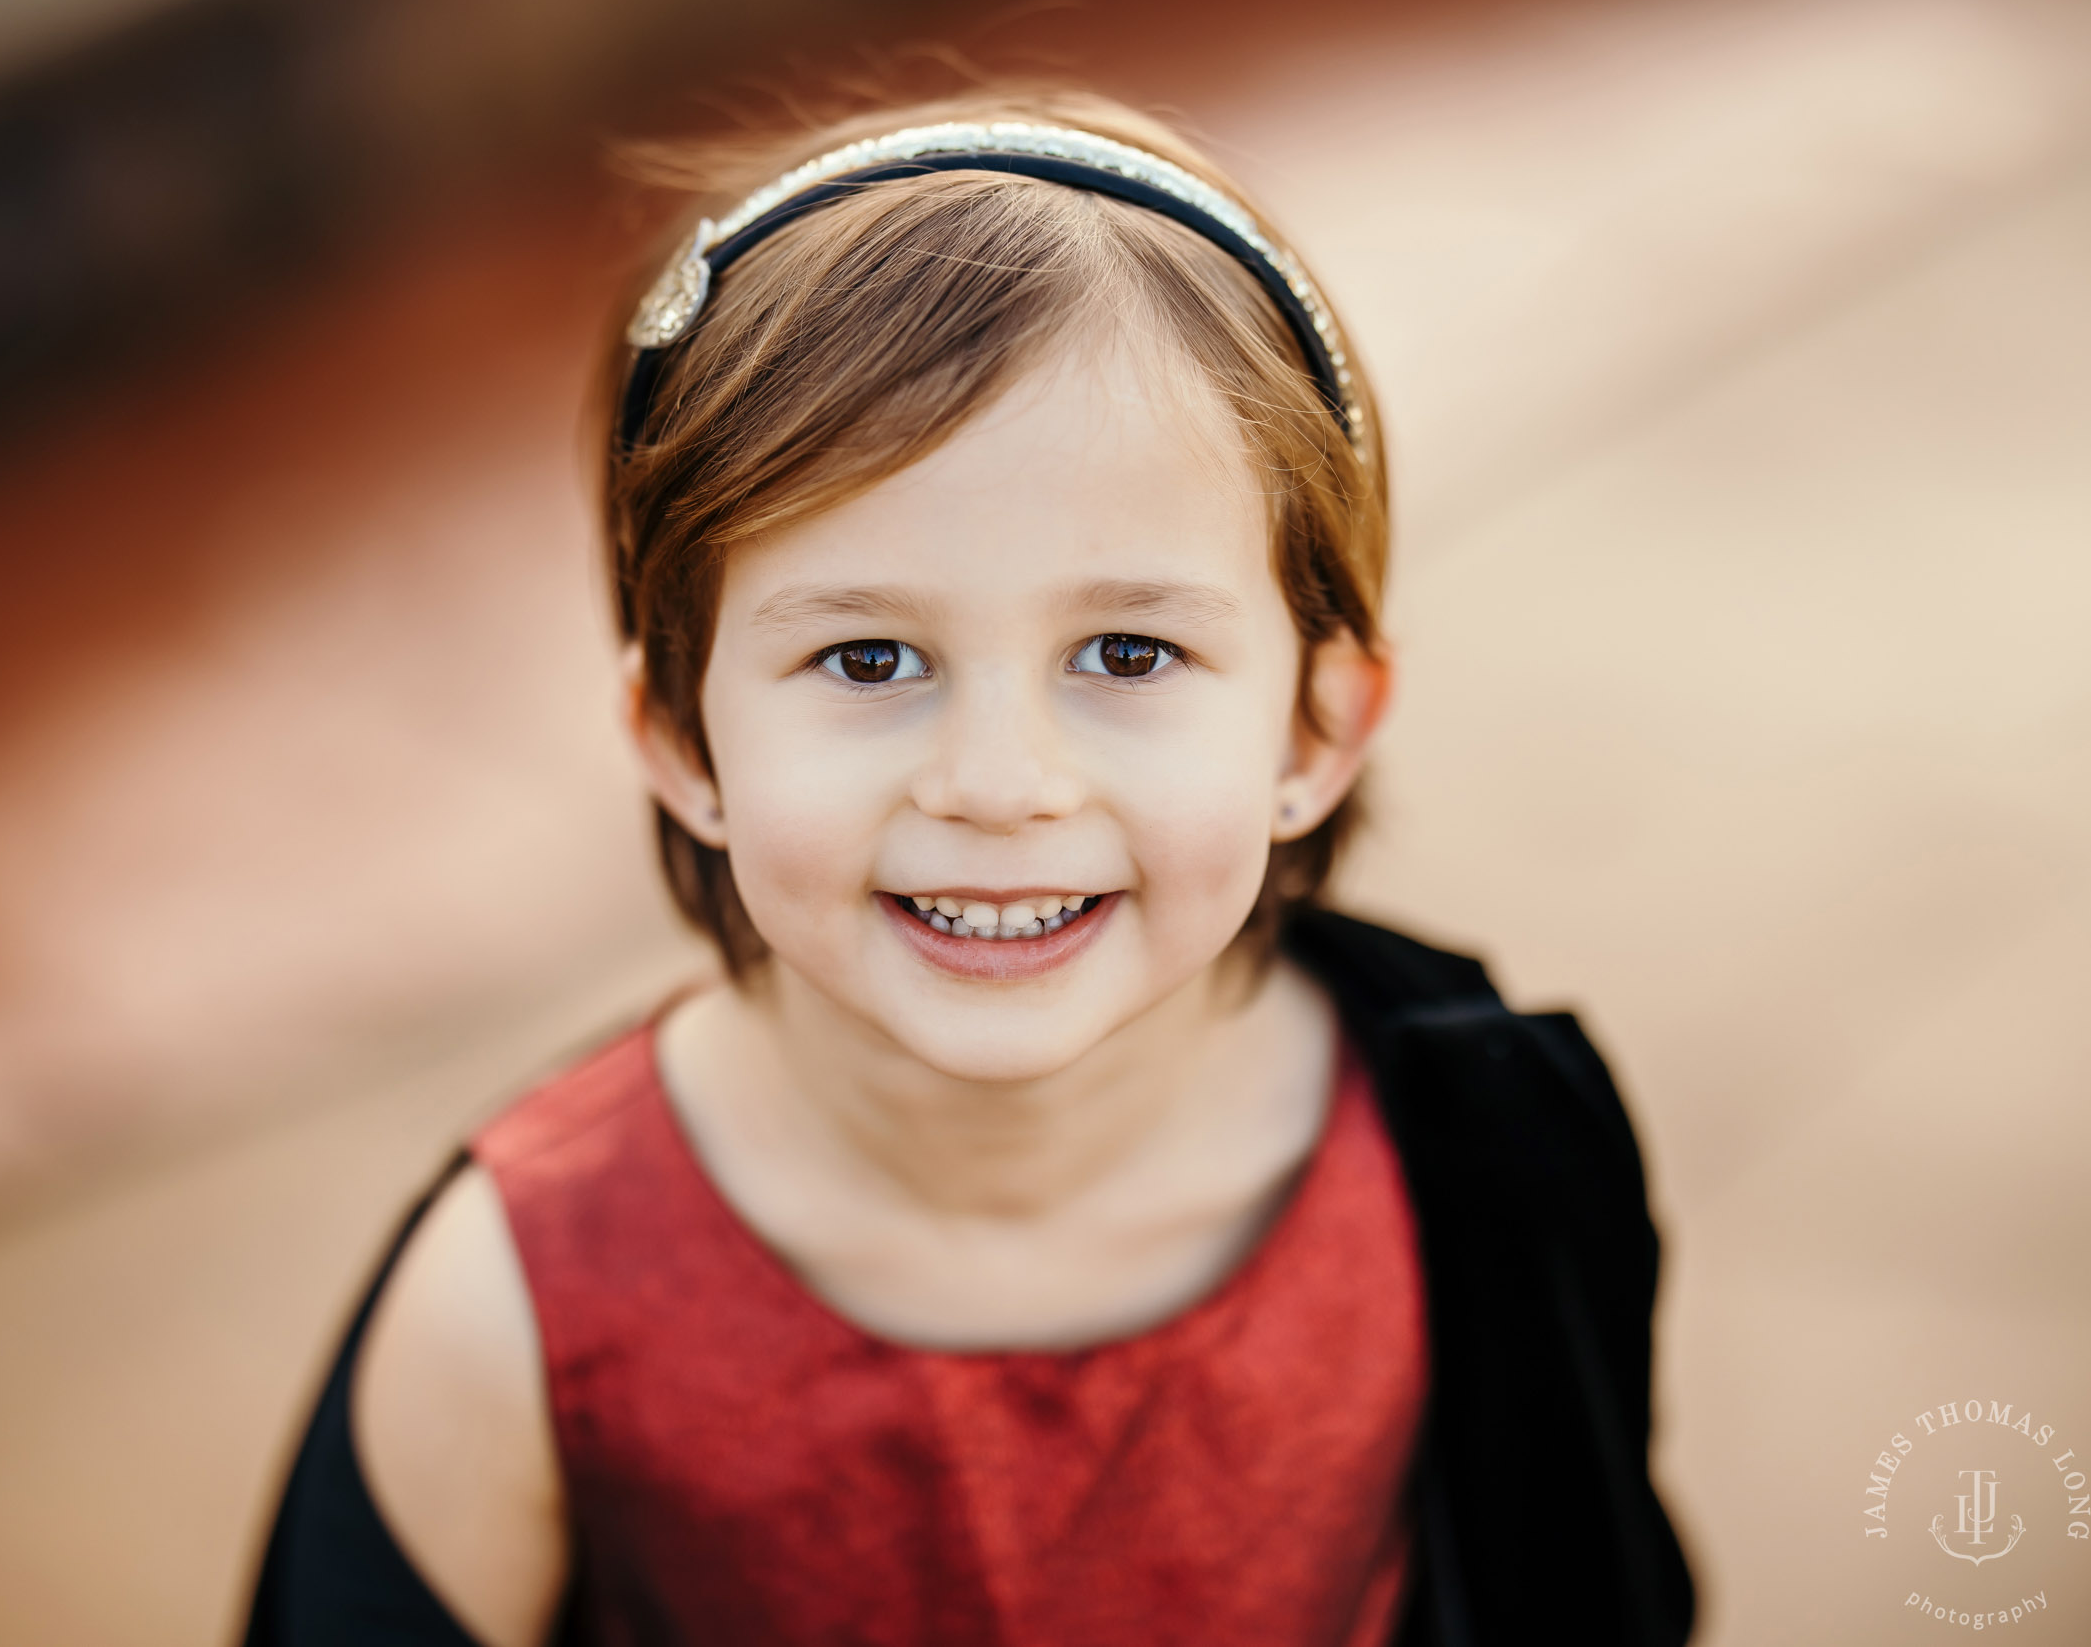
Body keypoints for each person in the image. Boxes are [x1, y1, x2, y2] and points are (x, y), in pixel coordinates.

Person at [244, 86, 1694, 1647]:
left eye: (1128, 650)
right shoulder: (514, 1312)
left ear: (1312, 729)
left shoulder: (1477, 1161)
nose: (999, 786)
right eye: (869, 657)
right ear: (680, 736)